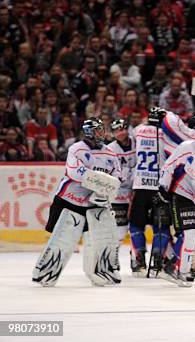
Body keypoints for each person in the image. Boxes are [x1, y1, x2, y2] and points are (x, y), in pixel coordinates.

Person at [32, 117, 121, 286]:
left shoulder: (110, 153)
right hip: (67, 199)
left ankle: (96, 273)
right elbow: (75, 173)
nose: (101, 133)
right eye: (97, 129)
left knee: (93, 240)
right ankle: (47, 272)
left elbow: (117, 175)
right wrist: (103, 183)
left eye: (101, 129)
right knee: (61, 239)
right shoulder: (76, 149)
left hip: (91, 204)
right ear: (89, 132)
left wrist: (106, 190)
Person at [129, 107, 195, 276]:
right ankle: (158, 260)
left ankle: (139, 261)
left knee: (136, 224)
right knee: (162, 226)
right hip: (160, 185)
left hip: (140, 185)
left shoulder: (138, 130)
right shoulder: (166, 134)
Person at [159, 117, 195, 286]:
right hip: (181, 194)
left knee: (191, 235)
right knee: (190, 233)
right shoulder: (187, 147)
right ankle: (180, 270)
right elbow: (168, 167)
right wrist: (162, 188)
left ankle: (173, 267)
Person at [107, 119, 136, 269]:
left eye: (123, 129)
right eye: (117, 130)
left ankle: (136, 258)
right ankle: (113, 259)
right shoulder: (111, 148)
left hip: (137, 193)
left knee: (137, 228)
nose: (121, 132)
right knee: (120, 229)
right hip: (118, 195)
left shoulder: (137, 143)